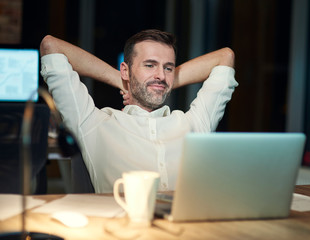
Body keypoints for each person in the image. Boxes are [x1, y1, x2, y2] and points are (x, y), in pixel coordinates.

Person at [40, 29, 238, 193]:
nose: (160, 74)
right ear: (125, 70)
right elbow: (51, 46)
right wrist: (122, 80)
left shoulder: (194, 123)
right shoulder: (93, 123)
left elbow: (225, 57)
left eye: (169, 68)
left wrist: (159, 83)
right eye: (150, 65)